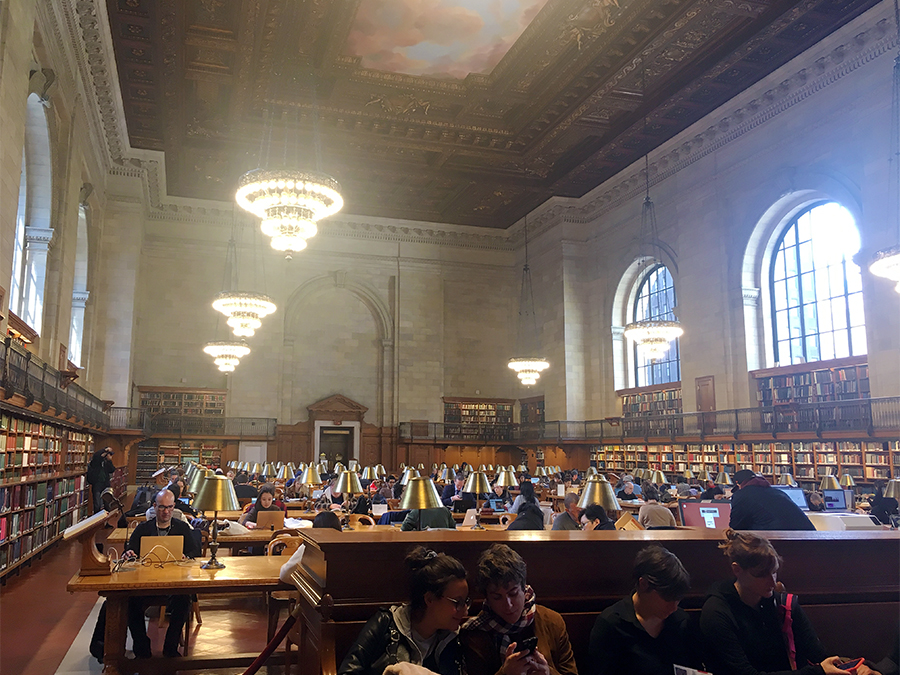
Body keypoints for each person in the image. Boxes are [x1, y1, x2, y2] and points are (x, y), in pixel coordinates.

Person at [700, 529, 857, 675]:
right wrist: (817, 672)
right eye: (761, 575)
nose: (773, 582)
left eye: (774, 572)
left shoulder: (783, 604)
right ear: (737, 570)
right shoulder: (716, 613)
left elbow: (818, 655)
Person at [339, 547, 468, 675]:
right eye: (458, 603)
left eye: (466, 602)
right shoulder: (385, 624)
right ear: (430, 599)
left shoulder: (452, 640)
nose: (465, 611)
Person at [462, 544, 577, 675]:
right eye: (497, 597)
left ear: (524, 589)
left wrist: (548, 672)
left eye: (513, 593)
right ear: (487, 599)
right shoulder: (475, 634)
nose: (508, 605)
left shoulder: (552, 621)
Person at [589, 545, 700, 675]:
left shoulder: (681, 621)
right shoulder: (612, 624)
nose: (674, 607)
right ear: (643, 584)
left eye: (678, 600)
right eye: (667, 598)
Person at [124, 489, 201, 658]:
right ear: (154, 507)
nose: (166, 512)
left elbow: (195, 551)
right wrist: (129, 553)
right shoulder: (144, 528)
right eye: (161, 507)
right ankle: (142, 646)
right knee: (130, 602)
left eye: (169, 507)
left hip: (174, 582)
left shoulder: (181, 527)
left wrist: (186, 556)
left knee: (183, 600)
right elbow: (129, 549)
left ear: (174, 507)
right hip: (146, 582)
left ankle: (170, 646)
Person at [729, 470, 815, 531]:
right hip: (808, 537)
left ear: (738, 484)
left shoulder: (742, 495)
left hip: (778, 540)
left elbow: (736, 527)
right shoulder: (777, 492)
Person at [87, 447, 115, 513]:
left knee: (107, 503)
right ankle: (97, 520)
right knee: (97, 504)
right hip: (97, 484)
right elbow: (96, 456)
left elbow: (112, 470)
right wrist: (104, 450)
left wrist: (109, 461)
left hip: (106, 484)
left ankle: (106, 521)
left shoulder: (106, 462)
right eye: (109, 454)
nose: (110, 456)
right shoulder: (96, 462)